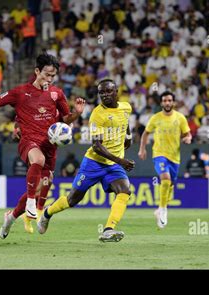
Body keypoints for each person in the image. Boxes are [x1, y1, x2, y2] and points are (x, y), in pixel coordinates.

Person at [0, 53, 86, 238]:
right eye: (47, 74)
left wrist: (77, 112)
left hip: (50, 144)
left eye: (53, 75)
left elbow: (66, 120)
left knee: (43, 183)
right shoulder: (20, 92)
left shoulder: (56, 93)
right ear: (37, 71)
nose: (50, 79)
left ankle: (10, 217)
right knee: (38, 160)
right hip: (29, 141)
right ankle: (30, 203)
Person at [37, 79, 135, 243]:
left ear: (116, 91)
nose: (104, 95)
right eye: (101, 92)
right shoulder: (97, 114)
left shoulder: (126, 107)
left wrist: (129, 137)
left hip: (113, 165)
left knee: (125, 191)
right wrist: (121, 160)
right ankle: (47, 213)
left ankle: (108, 230)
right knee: (72, 200)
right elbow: (96, 146)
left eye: (108, 91)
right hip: (94, 163)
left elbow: (125, 123)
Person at [138, 91, 192, 229]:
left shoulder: (180, 118)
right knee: (165, 179)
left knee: (170, 185)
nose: (167, 103)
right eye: (164, 100)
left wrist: (188, 138)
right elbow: (145, 133)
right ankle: (163, 210)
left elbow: (187, 133)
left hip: (175, 157)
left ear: (173, 102)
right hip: (159, 154)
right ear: (161, 103)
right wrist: (142, 149)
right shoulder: (155, 118)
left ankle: (160, 208)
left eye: (169, 100)